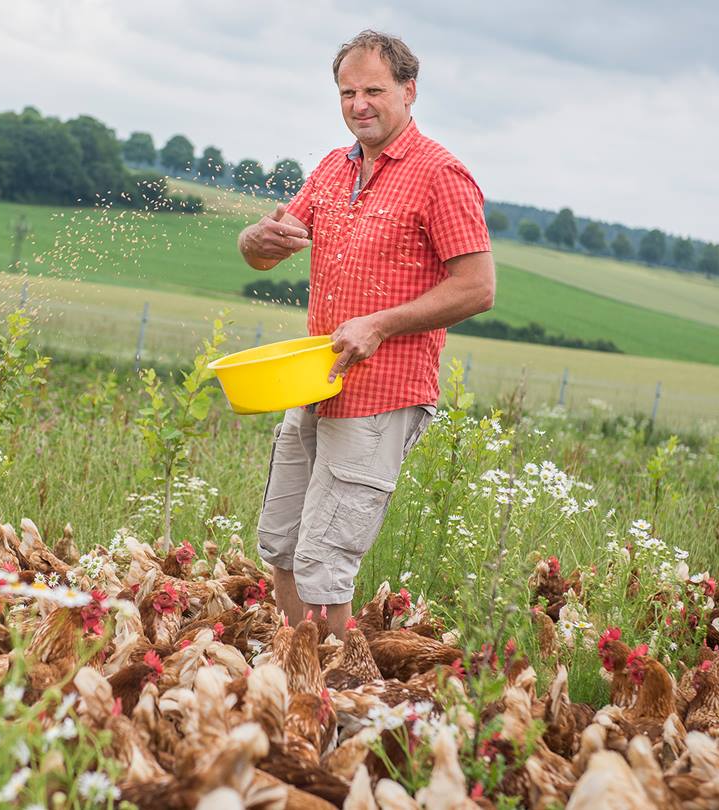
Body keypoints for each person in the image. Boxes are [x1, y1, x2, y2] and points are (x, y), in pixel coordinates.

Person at [236, 30, 496, 639]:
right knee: (281, 545)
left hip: (382, 395)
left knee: (324, 563)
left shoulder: (441, 175)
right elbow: (266, 252)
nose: (359, 104)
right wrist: (253, 240)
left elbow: (478, 288)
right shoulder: (335, 167)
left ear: (409, 91)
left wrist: (380, 324)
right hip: (315, 383)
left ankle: (335, 684)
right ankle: (300, 672)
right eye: (347, 92)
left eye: (374, 90)